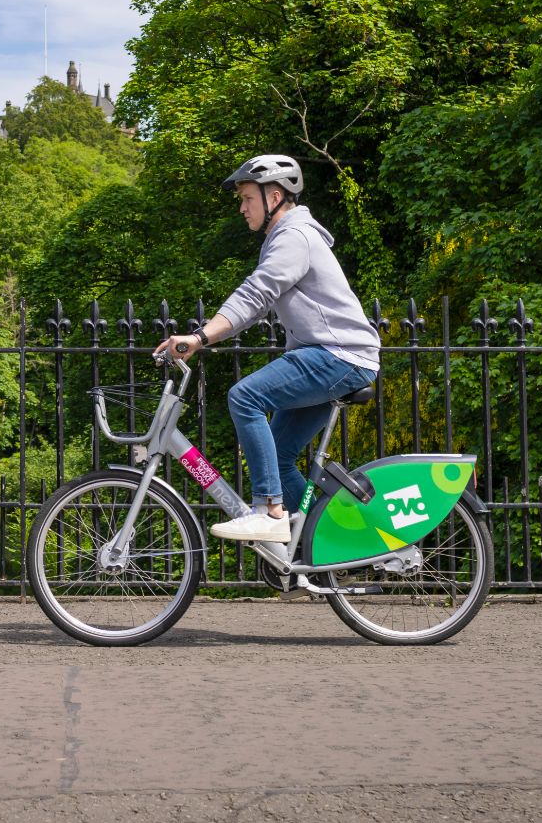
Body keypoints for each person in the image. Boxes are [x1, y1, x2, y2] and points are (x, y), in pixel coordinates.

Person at [151, 154, 381, 545]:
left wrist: (200, 337)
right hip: (333, 357)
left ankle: (269, 509)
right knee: (278, 452)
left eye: (247, 198)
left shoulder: (295, 236)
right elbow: (257, 302)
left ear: (274, 195)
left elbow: (256, 295)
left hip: (339, 356)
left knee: (244, 396)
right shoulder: (286, 237)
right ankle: (318, 546)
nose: (242, 208)